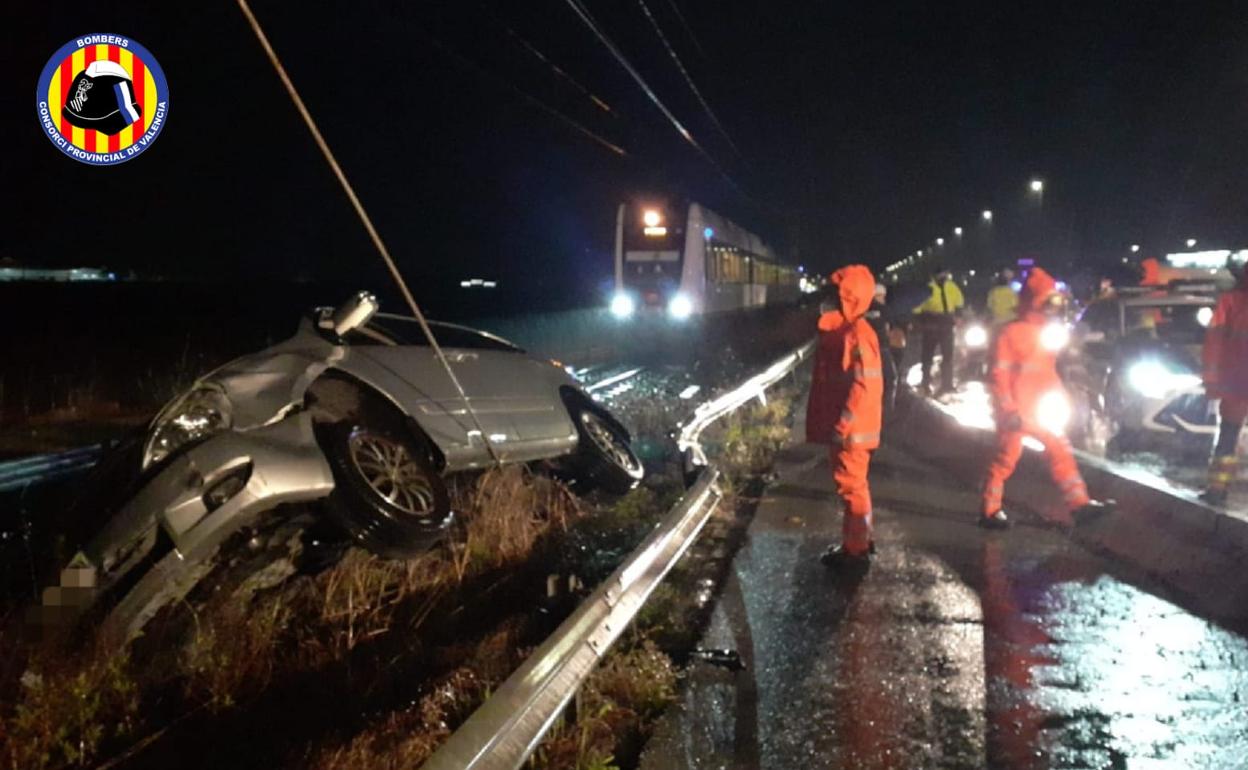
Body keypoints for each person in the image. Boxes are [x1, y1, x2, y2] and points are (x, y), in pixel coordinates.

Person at [979, 267, 1109, 528]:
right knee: (1005, 459)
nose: (1054, 308)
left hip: (1042, 407)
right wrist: (1007, 409)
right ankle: (989, 511)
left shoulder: (1047, 332)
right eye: (1049, 302)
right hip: (1016, 410)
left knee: (1060, 451)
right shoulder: (1010, 333)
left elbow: (1053, 359)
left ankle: (1079, 505)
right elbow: (998, 376)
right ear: (1037, 301)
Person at [806, 264, 884, 570]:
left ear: (848, 299)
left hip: (852, 430)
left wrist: (842, 425)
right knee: (857, 488)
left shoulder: (854, 335)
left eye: (834, 297)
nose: (827, 302)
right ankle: (861, 539)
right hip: (855, 428)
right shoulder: (852, 332)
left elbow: (862, 386)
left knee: (852, 490)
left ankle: (855, 552)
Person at [1200, 263, 1248, 505]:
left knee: (1228, 438)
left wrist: (1211, 382)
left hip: (1236, 384)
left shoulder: (1230, 302)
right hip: (1236, 383)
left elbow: (1214, 343)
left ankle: (1217, 490)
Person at [913, 266, 964, 395]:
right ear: (934, 276)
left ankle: (947, 385)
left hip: (947, 324)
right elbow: (917, 308)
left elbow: (959, 301)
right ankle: (925, 383)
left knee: (948, 356)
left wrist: (959, 316)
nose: (943, 277)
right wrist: (919, 322)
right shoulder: (927, 288)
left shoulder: (951, 286)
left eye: (944, 274)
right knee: (927, 356)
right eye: (940, 274)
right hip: (931, 325)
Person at [865, 282, 898, 417]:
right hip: (881, 348)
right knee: (891, 377)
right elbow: (889, 326)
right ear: (877, 296)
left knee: (869, 381)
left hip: (866, 349)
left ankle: (870, 408)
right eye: (882, 296)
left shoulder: (863, 311)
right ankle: (887, 412)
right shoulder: (883, 310)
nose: (884, 299)